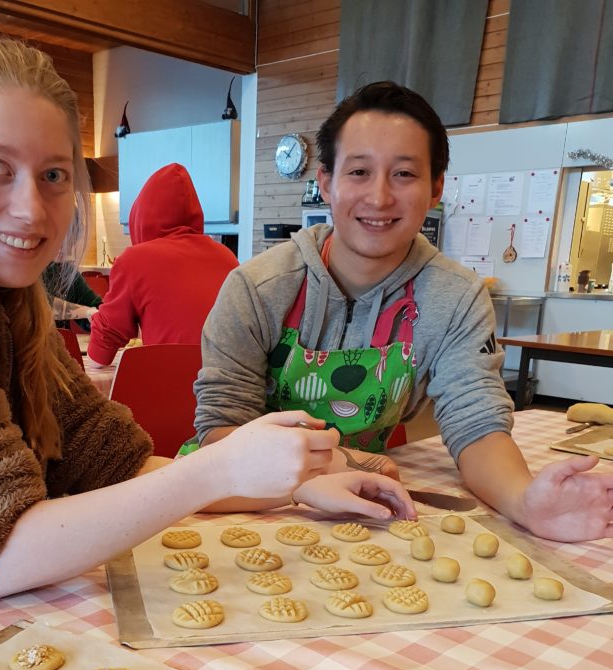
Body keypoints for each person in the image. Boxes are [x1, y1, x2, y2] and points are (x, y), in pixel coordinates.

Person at [0, 37, 413, 600]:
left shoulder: (7, 292)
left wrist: (296, 486)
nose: (30, 209)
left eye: (53, 175)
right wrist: (218, 470)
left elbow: (113, 460)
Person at [192, 81, 613, 542]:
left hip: (368, 510)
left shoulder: (455, 298)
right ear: (326, 182)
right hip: (240, 501)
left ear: (436, 188)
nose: (379, 198)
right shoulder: (258, 288)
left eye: (404, 174)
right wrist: (330, 468)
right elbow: (220, 429)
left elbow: (476, 424)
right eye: (359, 172)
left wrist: (524, 501)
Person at [87, 163, 239, 366]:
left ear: (141, 216)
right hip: (229, 382)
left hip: (168, 380)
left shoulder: (135, 260)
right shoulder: (228, 258)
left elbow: (100, 355)